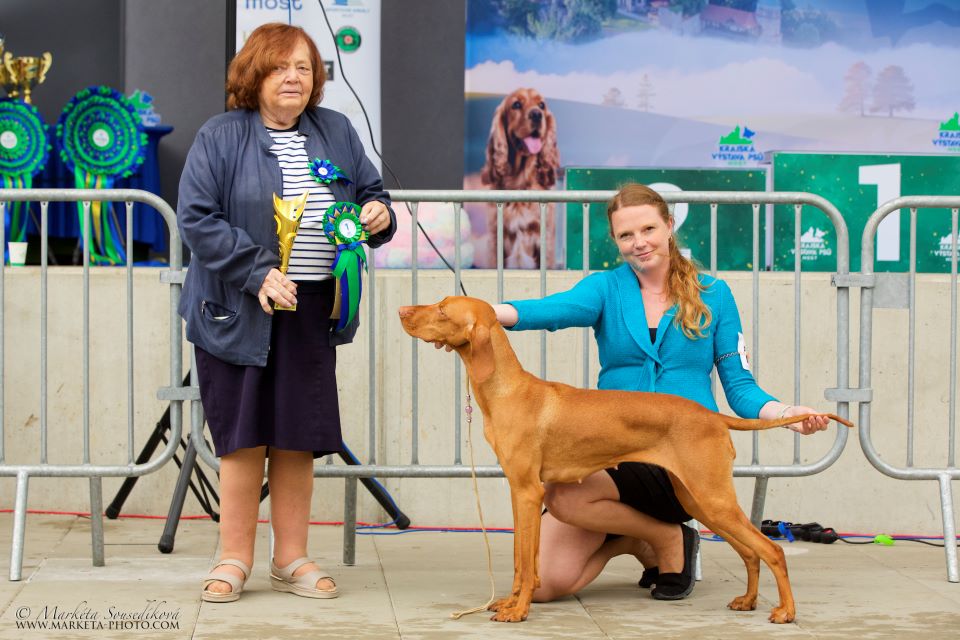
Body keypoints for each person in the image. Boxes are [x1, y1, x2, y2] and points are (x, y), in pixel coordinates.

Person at [464, 183, 830, 602]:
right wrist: (482, 314)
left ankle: (670, 537)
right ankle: (647, 538)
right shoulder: (607, 288)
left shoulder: (714, 294)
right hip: (612, 458)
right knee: (546, 582)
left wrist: (786, 413)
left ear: (669, 225)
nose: (638, 242)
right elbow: (552, 310)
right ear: (616, 240)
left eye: (648, 229)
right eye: (626, 235)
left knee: (572, 498)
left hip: (682, 451)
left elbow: (740, 385)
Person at [177, 23, 396, 603]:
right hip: (237, 309)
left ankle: (291, 558)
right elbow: (196, 218)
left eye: (303, 67)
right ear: (254, 75)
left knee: (298, 436)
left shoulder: (336, 129)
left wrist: (379, 214)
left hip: (311, 309)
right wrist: (256, 273)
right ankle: (233, 559)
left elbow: (371, 194)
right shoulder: (220, 135)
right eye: (279, 67)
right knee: (242, 437)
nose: (294, 77)